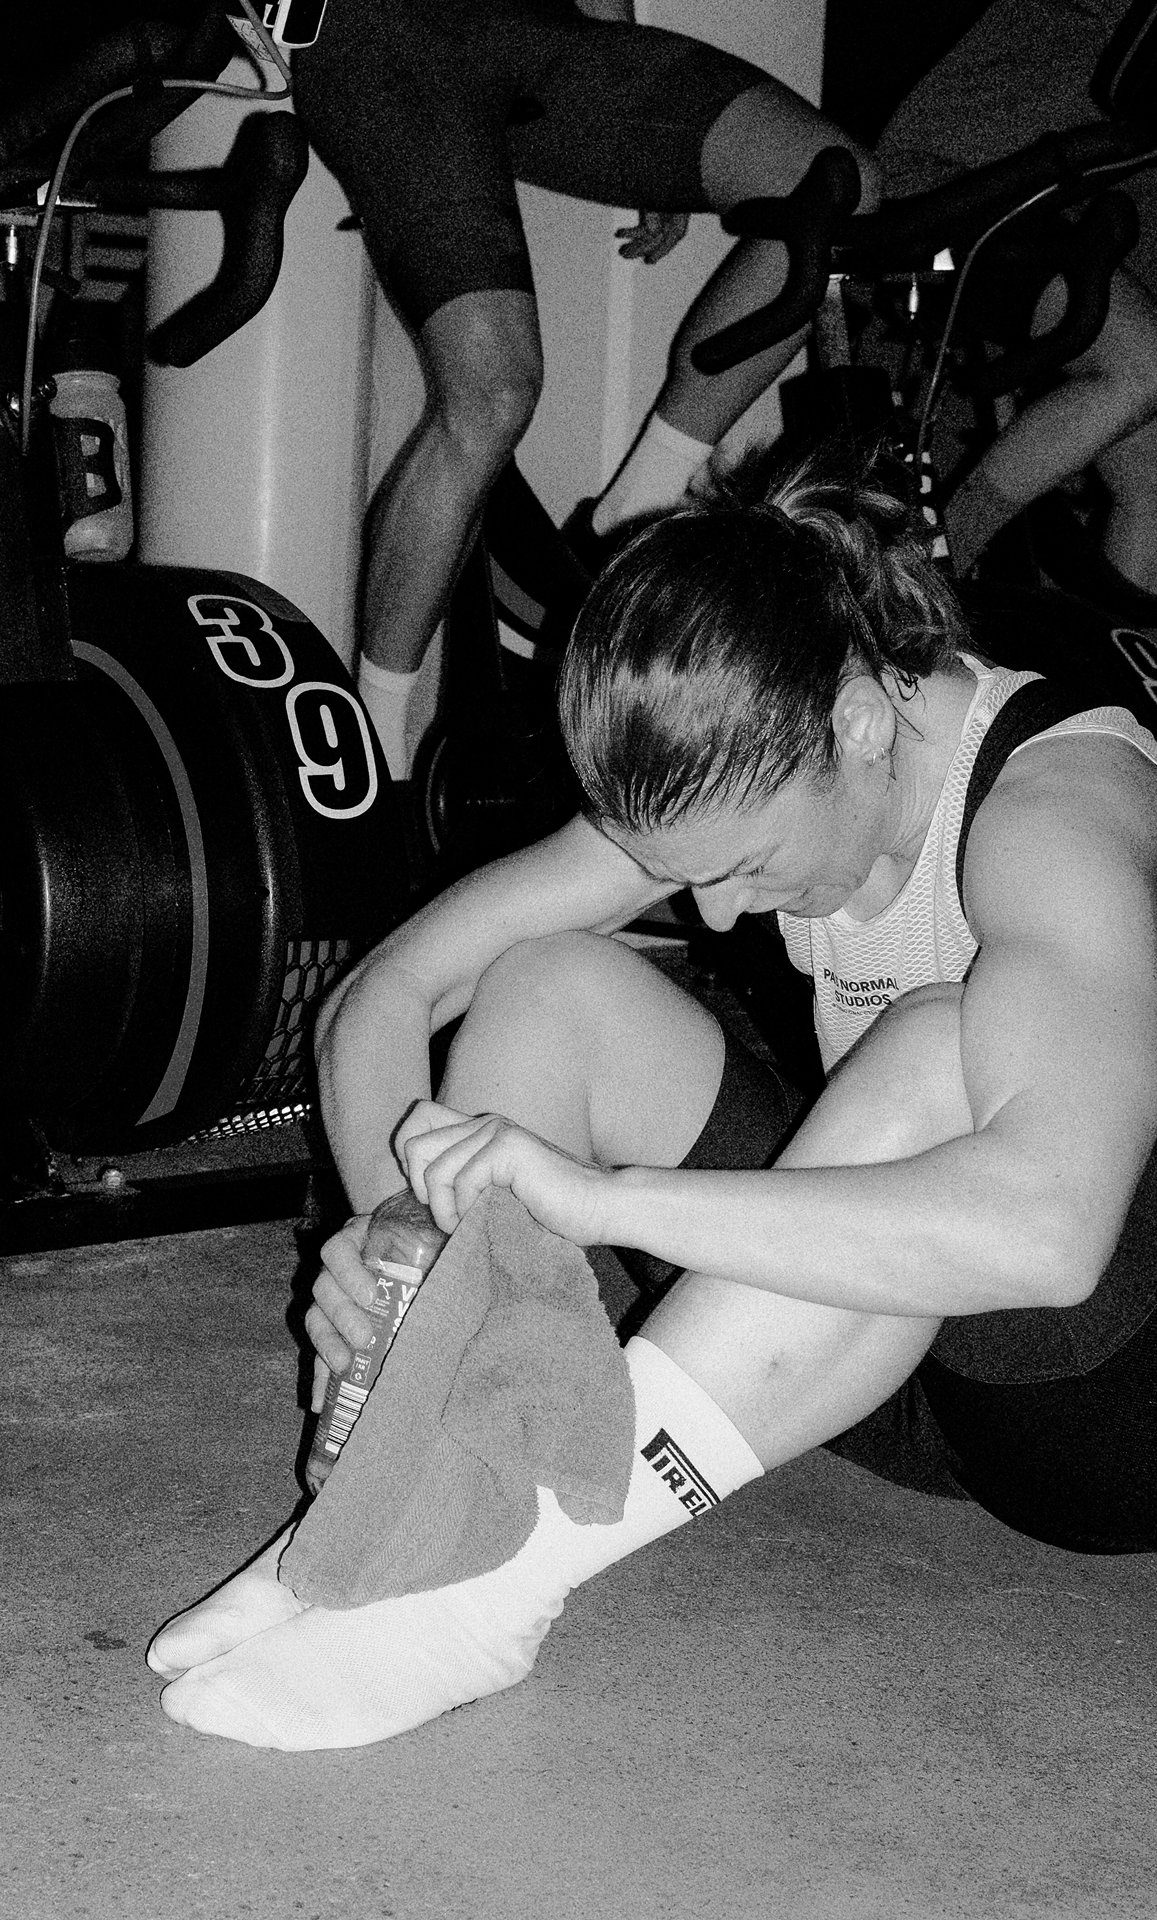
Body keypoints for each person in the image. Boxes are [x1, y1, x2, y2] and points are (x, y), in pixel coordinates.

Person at [147, 444, 1157, 1750]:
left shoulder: (1058, 812)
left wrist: (602, 1197)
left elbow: (1046, 1232)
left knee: (930, 1054)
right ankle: (403, 1516)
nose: (721, 911)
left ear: (860, 722)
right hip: (883, 1360)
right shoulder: (751, 762)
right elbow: (385, 994)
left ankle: (492, 1591)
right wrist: (404, 1238)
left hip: (1096, 1410)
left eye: (740, 865)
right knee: (552, 981)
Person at [289, 0, 880, 781]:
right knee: (491, 395)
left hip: (537, 30)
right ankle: (371, 746)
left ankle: (624, 522)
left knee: (837, 185)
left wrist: (632, 106)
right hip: (383, 30)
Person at [872, 0, 1157, 593]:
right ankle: (923, 583)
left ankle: (1107, 674)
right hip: (948, 187)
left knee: (1152, 475)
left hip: (1053, 217)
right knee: (1141, 368)